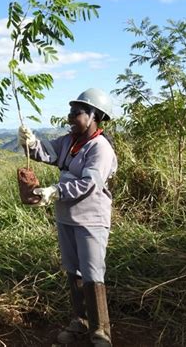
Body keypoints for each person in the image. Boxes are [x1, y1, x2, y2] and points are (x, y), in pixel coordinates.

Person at [18, 88, 117, 346]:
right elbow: (47, 153)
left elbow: (89, 183)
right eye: (70, 112)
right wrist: (31, 143)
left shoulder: (100, 148)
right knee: (73, 270)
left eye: (77, 113)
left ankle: (100, 332)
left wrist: (55, 190)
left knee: (93, 271)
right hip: (67, 217)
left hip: (91, 219)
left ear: (94, 115)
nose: (71, 117)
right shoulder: (70, 141)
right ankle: (80, 322)